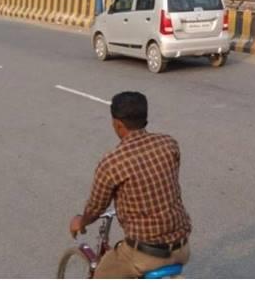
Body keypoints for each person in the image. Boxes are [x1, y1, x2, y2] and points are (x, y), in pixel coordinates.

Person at [69, 91, 191, 278]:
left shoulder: (112, 163)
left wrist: (81, 221)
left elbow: (95, 208)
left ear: (117, 124)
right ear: (145, 118)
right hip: (182, 248)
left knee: (100, 276)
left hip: (144, 255)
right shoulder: (169, 144)